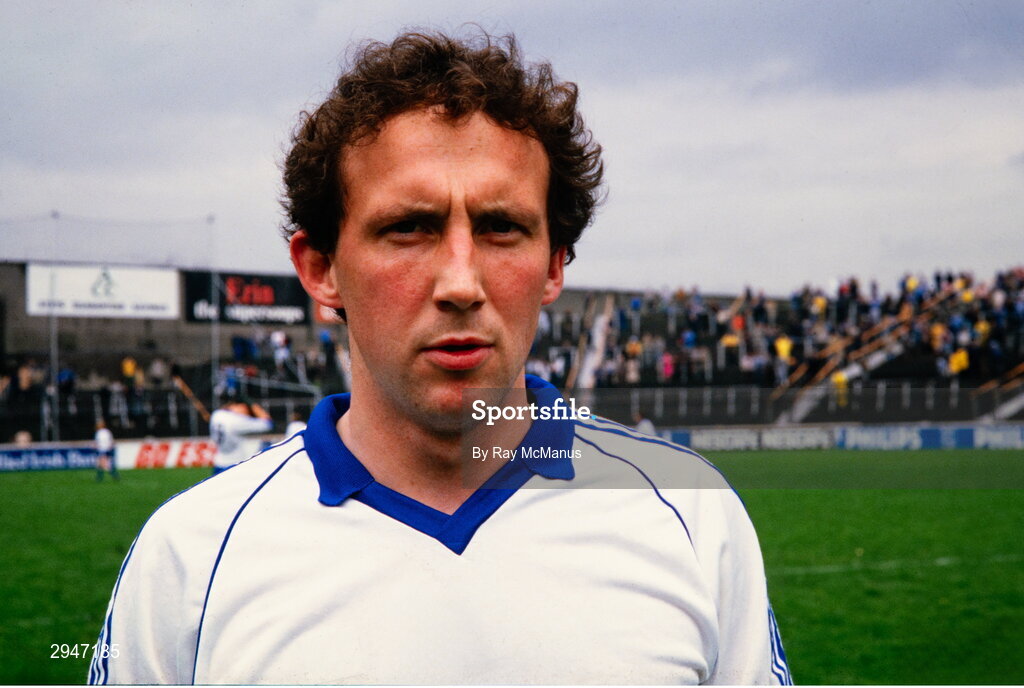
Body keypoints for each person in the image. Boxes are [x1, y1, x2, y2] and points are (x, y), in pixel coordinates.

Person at [90, 30, 790, 685]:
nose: (461, 282)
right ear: (322, 268)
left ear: (554, 265)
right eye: (410, 227)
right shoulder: (189, 557)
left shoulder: (691, 516)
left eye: (501, 227)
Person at [208, 400, 273, 475]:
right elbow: (268, 424)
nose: (246, 411)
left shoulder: (217, 415)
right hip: (234, 466)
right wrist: (256, 408)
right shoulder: (237, 421)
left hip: (219, 463)